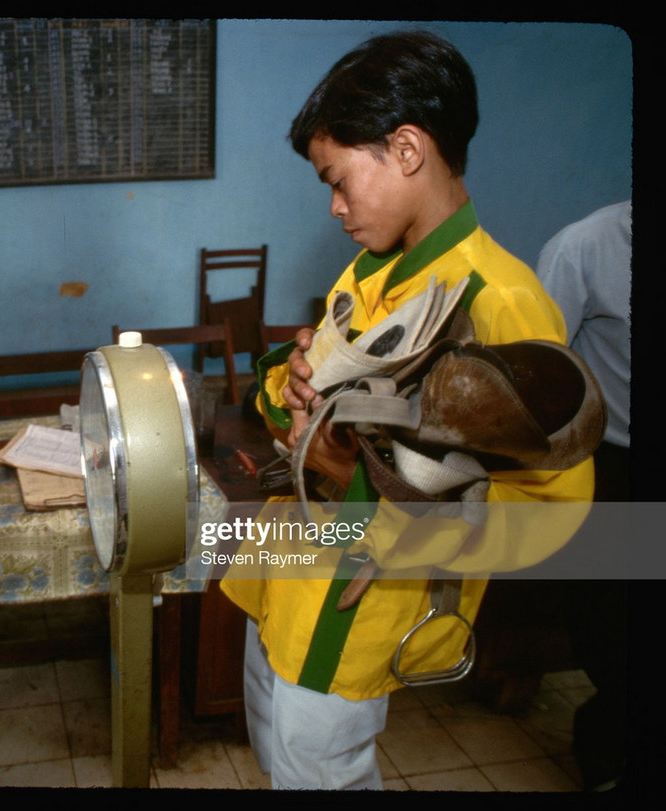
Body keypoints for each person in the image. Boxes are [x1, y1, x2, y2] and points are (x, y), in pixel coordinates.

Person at [219, 30, 595, 790]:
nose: (333, 207)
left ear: (407, 150)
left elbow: (549, 510)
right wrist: (287, 383)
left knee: (317, 767)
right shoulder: (370, 271)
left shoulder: (499, 300)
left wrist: (347, 472)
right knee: (277, 749)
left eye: (339, 179)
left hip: (350, 606)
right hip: (288, 574)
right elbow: (297, 389)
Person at [536, 200, 631, 791]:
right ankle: (607, 758)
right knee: (615, 629)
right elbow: (539, 376)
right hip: (616, 464)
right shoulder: (585, 248)